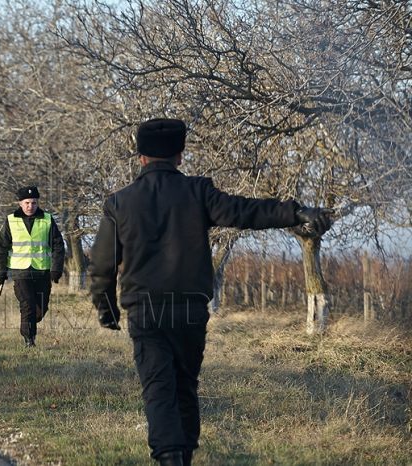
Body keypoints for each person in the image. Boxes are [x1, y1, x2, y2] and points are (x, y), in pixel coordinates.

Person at [88, 118, 332, 466]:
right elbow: (246, 211)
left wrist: (106, 308)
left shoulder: (119, 203)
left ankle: (170, 458)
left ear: (140, 157)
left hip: (146, 311)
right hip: (191, 311)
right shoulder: (198, 192)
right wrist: (296, 211)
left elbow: (101, 266)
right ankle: (182, 457)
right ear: (180, 156)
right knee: (185, 388)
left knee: (159, 389)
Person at [0, 186, 65, 347]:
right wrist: (0, 271)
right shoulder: (11, 220)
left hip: (42, 272)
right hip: (21, 273)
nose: (30, 206)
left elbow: (58, 245)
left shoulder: (47, 219)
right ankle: (29, 340)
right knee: (28, 306)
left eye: (33, 203)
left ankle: (29, 330)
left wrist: (56, 269)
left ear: (37, 203)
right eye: (27, 203)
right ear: (20, 203)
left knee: (40, 310)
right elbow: (1, 248)